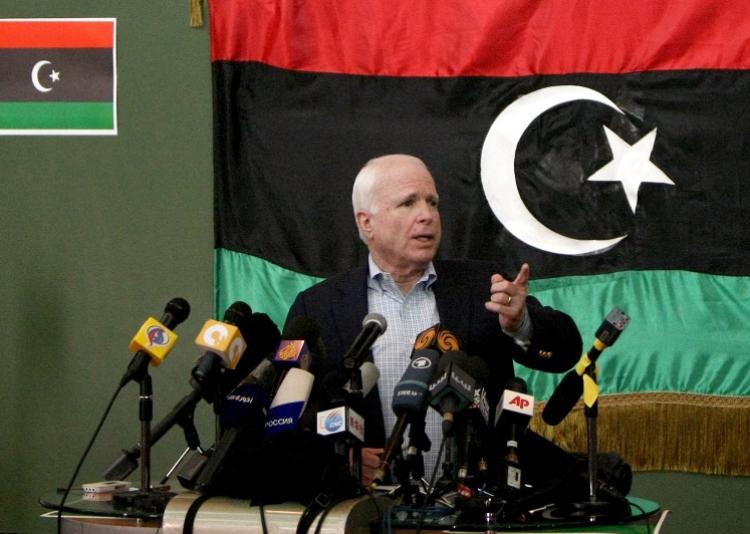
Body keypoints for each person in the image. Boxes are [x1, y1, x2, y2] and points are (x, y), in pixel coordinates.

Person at [285, 154, 582, 486]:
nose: (427, 215)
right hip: (369, 510)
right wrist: (340, 457)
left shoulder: (483, 286)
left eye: (432, 202)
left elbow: (566, 350)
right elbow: (289, 421)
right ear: (367, 222)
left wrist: (521, 322)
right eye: (408, 203)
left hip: (474, 508)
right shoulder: (318, 308)